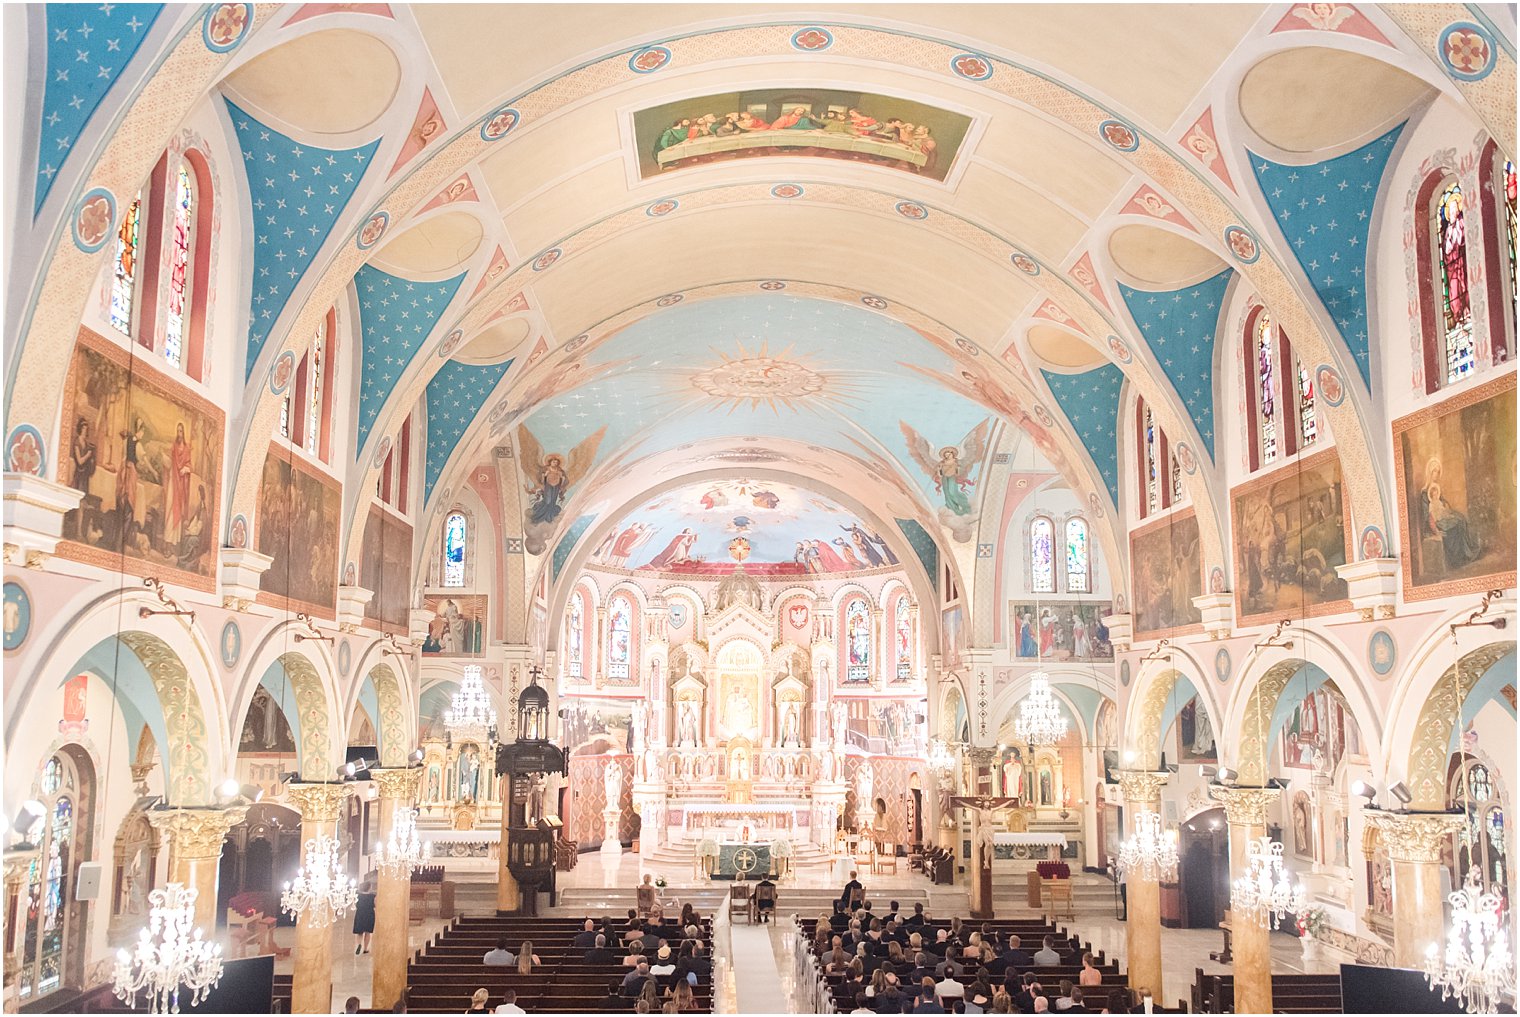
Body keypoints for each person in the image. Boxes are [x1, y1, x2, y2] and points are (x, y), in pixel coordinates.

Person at [352, 875, 376, 954]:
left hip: (360, 913)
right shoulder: (372, 896)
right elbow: (376, 904)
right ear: (369, 887)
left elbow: (355, 904)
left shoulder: (358, 895)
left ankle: (359, 944)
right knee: (367, 932)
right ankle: (365, 949)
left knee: (360, 932)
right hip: (369, 914)